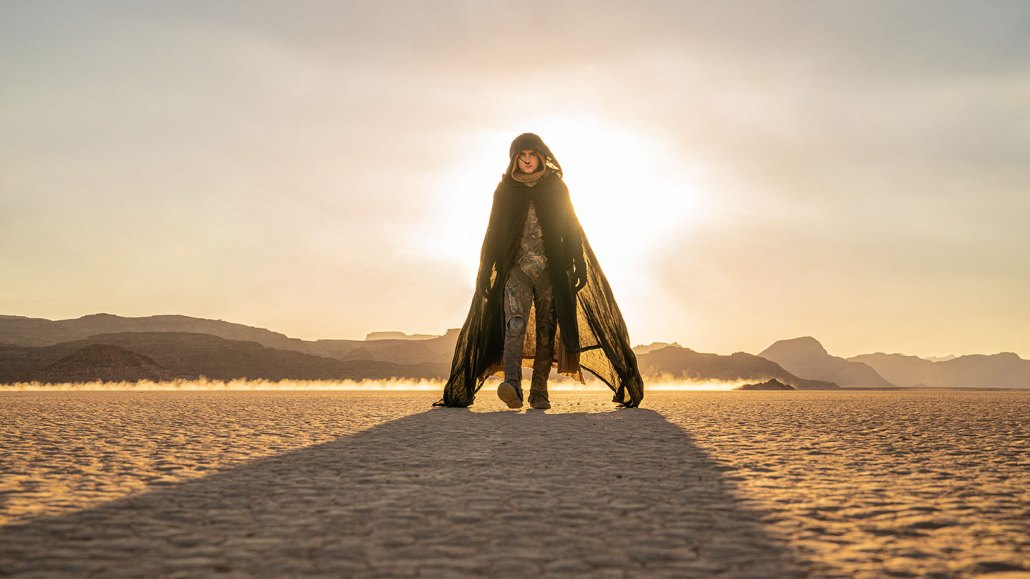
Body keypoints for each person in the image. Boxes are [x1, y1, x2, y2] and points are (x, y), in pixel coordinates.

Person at [433, 133, 644, 409]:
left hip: (551, 270)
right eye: (521, 155)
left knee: (546, 330)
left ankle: (539, 392)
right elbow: (494, 231)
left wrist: (577, 264)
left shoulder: (556, 188)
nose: (527, 160)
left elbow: (571, 228)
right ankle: (512, 386)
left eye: (532, 154)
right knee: (514, 325)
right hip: (516, 268)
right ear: (514, 160)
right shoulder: (505, 191)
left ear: (542, 157)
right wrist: (486, 271)